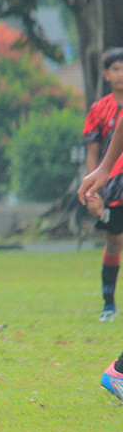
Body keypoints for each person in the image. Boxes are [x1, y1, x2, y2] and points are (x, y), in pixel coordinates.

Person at [82, 47, 123, 322]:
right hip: (113, 186)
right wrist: (92, 189)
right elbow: (93, 153)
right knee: (114, 240)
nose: (121, 75)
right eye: (116, 69)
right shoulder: (100, 109)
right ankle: (108, 303)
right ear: (107, 74)